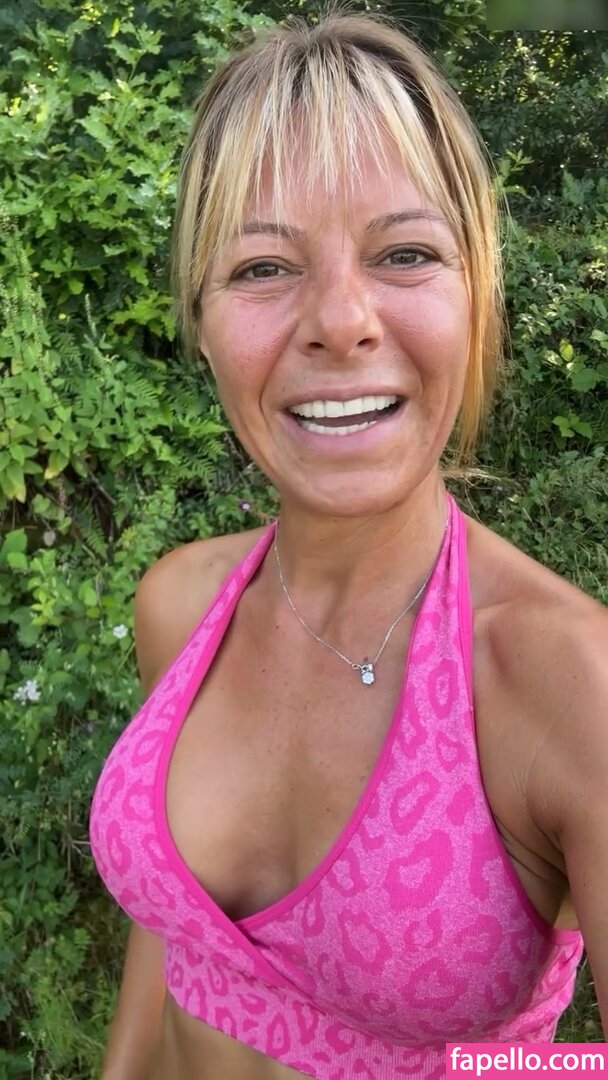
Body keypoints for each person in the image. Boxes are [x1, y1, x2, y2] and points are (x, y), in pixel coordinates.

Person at [89, 6, 608, 1079]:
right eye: (261, 268)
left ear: (476, 299)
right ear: (201, 322)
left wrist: (482, 1068)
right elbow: (173, 934)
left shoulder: (565, 684)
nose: (340, 320)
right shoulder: (179, 604)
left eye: (405, 253)